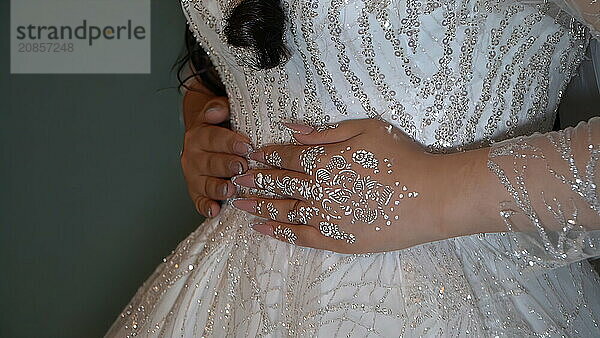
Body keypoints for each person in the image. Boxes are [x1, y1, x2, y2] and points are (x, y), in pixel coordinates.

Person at [107, 0, 600, 336]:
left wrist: (440, 190)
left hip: (470, 292)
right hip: (229, 287)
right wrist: (206, 120)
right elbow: (229, 54)